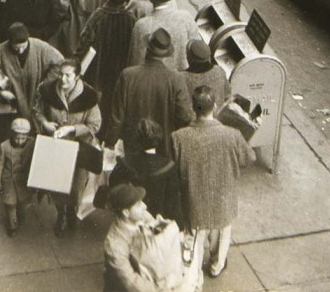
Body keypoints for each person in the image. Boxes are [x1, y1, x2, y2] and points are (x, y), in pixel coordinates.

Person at [172, 85, 255, 282]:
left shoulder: (179, 137)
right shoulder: (232, 135)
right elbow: (249, 159)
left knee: (195, 240)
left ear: (194, 108)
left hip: (194, 200)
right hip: (223, 198)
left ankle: (194, 274)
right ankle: (217, 265)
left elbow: (174, 168)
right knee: (223, 231)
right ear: (215, 106)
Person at [33, 57, 101, 236]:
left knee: (77, 185)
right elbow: (37, 110)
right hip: (57, 147)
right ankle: (61, 214)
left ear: (77, 76)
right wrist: (45, 123)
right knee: (57, 184)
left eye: (68, 76)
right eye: (61, 75)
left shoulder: (89, 95)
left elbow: (95, 125)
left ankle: (72, 212)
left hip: (79, 149)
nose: (63, 80)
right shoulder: (48, 91)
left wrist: (72, 128)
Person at [108, 28, 192, 158]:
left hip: (133, 148)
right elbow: (184, 117)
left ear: (147, 50)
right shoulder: (176, 79)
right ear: (165, 55)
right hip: (165, 149)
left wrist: (110, 142)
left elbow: (117, 116)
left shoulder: (128, 75)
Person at [77, 0, 134, 140]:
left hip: (98, 66)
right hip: (120, 65)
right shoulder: (130, 18)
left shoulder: (98, 15)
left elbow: (85, 40)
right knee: (115, 100)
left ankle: (96, 131)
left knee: (98, 100)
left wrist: (78, 59)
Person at [0, 21, 62, 130]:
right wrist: (1, 90)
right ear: (9, 42)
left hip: (37, 98)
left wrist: (46, 84)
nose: (20, 51)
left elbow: (60, 64)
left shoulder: (40, 47)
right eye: (16, 48)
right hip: (11, 104)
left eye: (24, 47)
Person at [109, 118, 182, 224]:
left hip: (129, 223)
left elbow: (114, 192)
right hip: (157, 225)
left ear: (136, 139)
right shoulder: (169, 167)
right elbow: (173, 205)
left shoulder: (124, 164)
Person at [128, 0, 200, 71]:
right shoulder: (186, 17)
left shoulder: (142, 25)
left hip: (153, 79)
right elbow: (196, 49)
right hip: (181, 75)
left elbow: (135, 60)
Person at [103, 184, 161, 292]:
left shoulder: (141, 216)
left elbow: (154, 224)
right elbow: (130, 281)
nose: (145, 206)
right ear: (126, 212)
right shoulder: (114, 244)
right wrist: (161, 289)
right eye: (138, 204)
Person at [0, 117, 35, 236]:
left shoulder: (32, 144)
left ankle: (20, 215)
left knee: (23, 202)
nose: (20, 141)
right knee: (10, 203)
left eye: (23, 138)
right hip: (9, 180)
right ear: (12, 134)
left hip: (24, 180)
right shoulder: (4, 146)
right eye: (17, 137)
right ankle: (12, 226)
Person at [180, 40, 230, 110]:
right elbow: (227, 96)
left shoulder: (181, 77)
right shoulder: (219, 71)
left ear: (189, 58)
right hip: (217, 118)